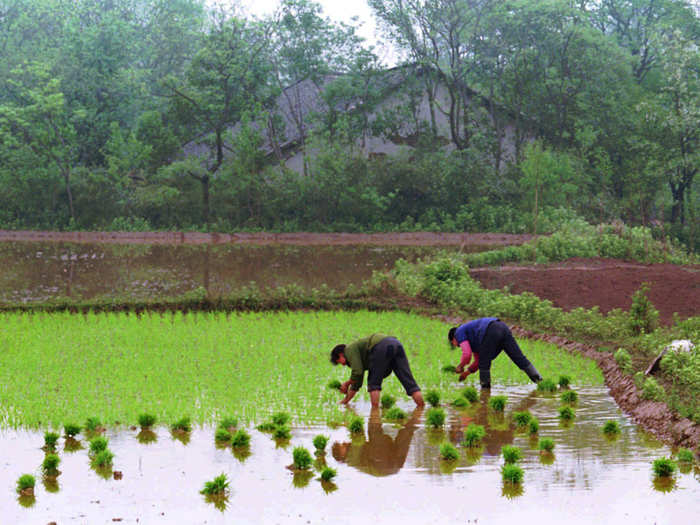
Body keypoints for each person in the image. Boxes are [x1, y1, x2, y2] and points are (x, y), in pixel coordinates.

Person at [330, 333, 425, 407]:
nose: (342, 365)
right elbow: (356, 382)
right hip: (396, 344)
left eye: (339, 361)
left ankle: (374, 414)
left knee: (373, 384)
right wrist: (345, 401)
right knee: (410, 384)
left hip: (380, 347)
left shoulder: (349, 350)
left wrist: (346, 383)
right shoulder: (356, 351)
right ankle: (421, 408)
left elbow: (357, 372)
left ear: (340, 354)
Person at [448, 317, 542, 388]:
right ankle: (541, 382)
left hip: (490, 330)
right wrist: (466, 373)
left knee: (484, 365)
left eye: (453, 343)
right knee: (519, 358)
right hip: (503, 327)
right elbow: (477, 361)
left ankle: (484, 395)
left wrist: (460, 366)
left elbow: (467, 354)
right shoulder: (474, 339)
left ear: (453, 339)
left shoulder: (459, 332)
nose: (457, 345)